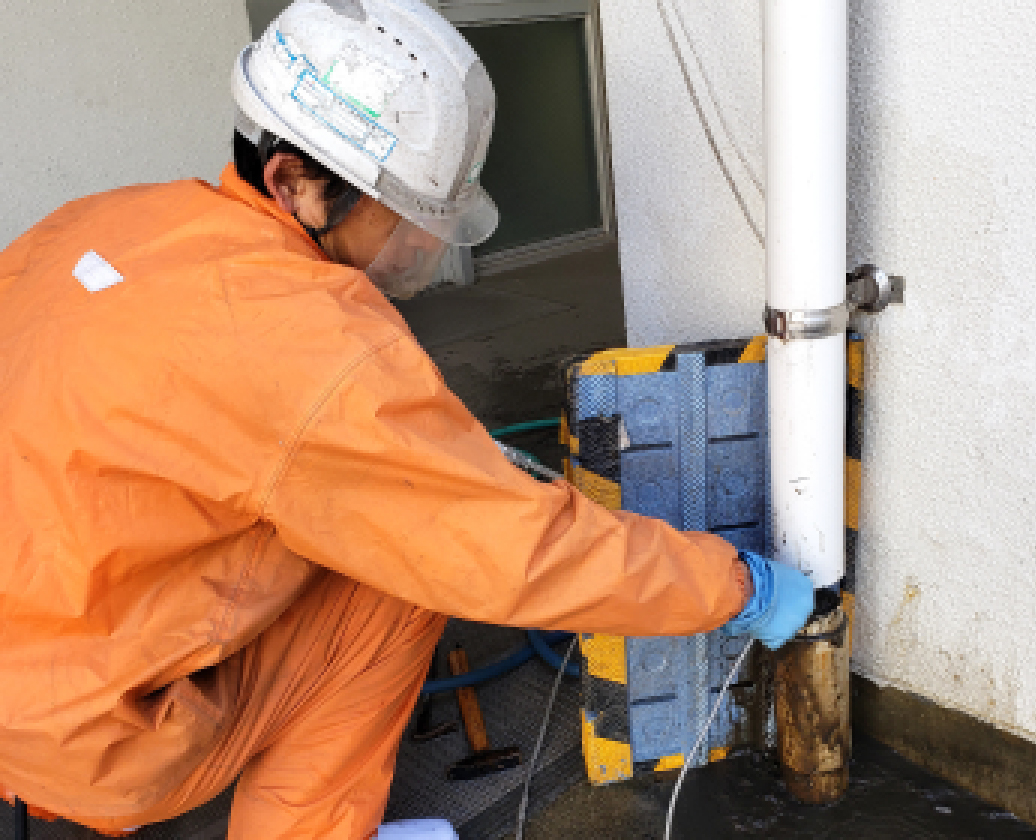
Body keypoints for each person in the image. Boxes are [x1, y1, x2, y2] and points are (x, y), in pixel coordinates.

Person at [0, 1, 815, 838]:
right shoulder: (314, 345)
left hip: (30, 671)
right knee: (404, 580)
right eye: (411, 217)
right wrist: (738, 587)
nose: (427, 248)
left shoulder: (102, 224)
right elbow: (514, 554)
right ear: (293, 183)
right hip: (97, 741)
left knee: (370, 531)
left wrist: (415, 459)